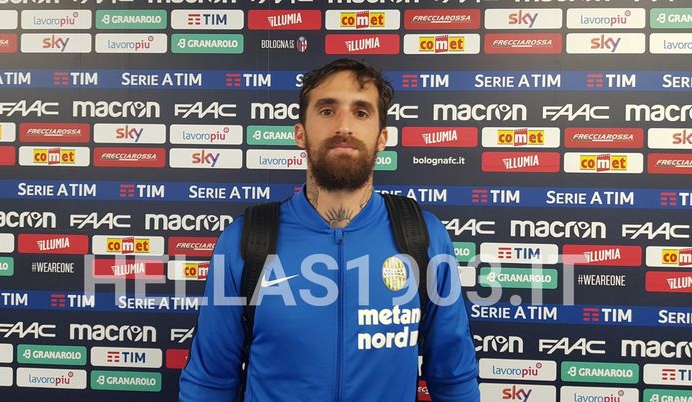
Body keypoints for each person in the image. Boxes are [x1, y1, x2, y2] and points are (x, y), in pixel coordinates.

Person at [179, 58, 479, 402]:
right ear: (300, 133)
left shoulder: (423, 237)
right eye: (327, 111)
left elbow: (454, 379)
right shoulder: (246, 241)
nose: (344, 126)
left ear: (382, 138)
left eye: (361, 112)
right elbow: (209, 381)